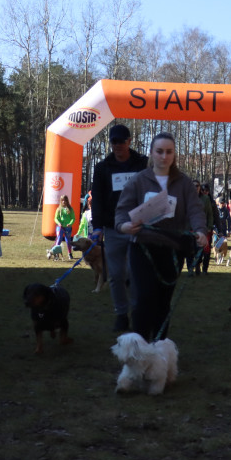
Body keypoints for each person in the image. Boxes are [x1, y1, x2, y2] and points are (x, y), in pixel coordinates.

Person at [114, 132, 208, 341]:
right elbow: (121, 211)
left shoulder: (183, 183)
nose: (164, 157)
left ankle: (159, 349)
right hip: (142, 247)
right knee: (143, 298)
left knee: (163, 302)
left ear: (174, 155)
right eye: (159, 151)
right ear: (151, 153)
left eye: (168, 152)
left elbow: (195, 210)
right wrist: (124, 226)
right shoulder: (138, 180)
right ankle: (139, 347)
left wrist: (200, 230)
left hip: (172, 249)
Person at [90, 123, 148, 332]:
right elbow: (97, 200)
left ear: (129, 141)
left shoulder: (143, 163)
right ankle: (121, 314)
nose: (117, 146)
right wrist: (97, 227)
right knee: (115, 274)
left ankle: (138, 312)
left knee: (135, 273)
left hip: (138, 226)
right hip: (113, 227)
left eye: (121, 141)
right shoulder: (102, 168)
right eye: (114, 142)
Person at [193, 180, 215, 275]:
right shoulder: (188, 197)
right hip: (192, 227)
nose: (195, 188)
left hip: (205, 227)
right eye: (193, 186)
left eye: (197, 186)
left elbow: (211, 214)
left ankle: (205, 269)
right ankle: (197, 266)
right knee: (195, 249)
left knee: (206, 249)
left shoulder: (206, 199)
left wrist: (210, 226)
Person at [54, 194, 76, 260]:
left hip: (68, 228)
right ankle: (56, 254)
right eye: (62, 200)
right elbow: (55, 218)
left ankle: (70, 253)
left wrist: (70, 223)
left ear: (67, 201)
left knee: (68, 241)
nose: (63, 202)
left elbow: (73, 218)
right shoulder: (58, 209)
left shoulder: (70, 209)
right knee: (59, 239)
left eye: (65, 200)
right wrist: (58, 223)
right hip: (60, 227)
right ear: (61, 201)